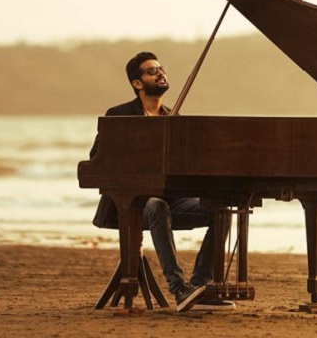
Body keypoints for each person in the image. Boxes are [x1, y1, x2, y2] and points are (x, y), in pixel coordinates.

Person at [89, 51, 235, 312]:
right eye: (151, 71)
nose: (160, 73)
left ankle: (200, 287)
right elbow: (98, 159)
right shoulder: (118, 115)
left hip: (171, 202)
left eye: (161, 69)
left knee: (220, 212)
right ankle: (178, 289)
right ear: (137, 83)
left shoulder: (174, 120)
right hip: (130, 205)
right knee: (156, 205)